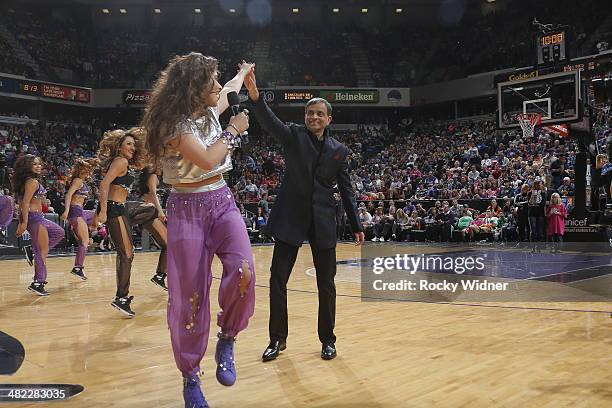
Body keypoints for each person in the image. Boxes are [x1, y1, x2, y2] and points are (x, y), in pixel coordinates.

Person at [141, 53, 255, 408]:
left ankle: (228, 337)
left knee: (243, 271)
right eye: (213, 82)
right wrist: (235, 129)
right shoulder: (170, 125)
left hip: (221, 200)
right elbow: (206, 158)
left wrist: (244, 74)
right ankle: (190, 376)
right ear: (193, 87)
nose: (219, 88)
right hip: (186, 209)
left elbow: (231, 90)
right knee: (189, 296)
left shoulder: (208, 107)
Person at [244, 68, 364, 362]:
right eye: (310, 113)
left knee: (327, 284)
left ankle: (328, 340)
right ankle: (277, 339)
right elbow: (270, 123)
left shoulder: (339, 151)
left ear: (328, 119)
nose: (313, 117)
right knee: (277, 280)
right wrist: (256, 96)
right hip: (291, 218)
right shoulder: (293, 135)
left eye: (319, 114)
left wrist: (357, 224)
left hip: (323, 221)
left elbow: (347, 190)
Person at [95, 127, 146, 316]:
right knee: (127, 254)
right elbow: (104, 184)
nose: (132, 147)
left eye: (134, 144)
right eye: (128, 144)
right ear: (120, 146)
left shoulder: (126, 163)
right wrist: (103, 212)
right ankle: (121, 298)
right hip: (114, 209)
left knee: (148, 211)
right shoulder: (120, 161)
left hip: (122, 208)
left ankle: (122, 297)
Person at [13, 155, 65, 296]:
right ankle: (38, 282)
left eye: (39, 164)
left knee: (59, 232)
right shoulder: (31, 182)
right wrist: (23, 223)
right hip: (34, 218)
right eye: (34, 164)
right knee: (41, 252)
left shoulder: (31, 181)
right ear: (27, 166)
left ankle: (31, 251)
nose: (38, 166)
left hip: (39, 217)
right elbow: (24, 202)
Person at [60, 158, 98, 280]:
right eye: (88, 169)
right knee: (84, 242)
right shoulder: (77, 181)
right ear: (82, 169)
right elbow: (68, 195)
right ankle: (78, 268)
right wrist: (66, 211)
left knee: (98, 214)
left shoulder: (83, 182)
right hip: (75, 211)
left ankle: (93, 228)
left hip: (80, 211)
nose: (90, 172)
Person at [132, 166, 168, 290]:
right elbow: (153, 194)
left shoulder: (149, 176)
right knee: (168, 245)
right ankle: (160, 275)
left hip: (146, 208)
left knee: (167, 244)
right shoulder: (153, 176)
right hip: (148, 209)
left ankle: (161, 275)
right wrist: (160, 211)